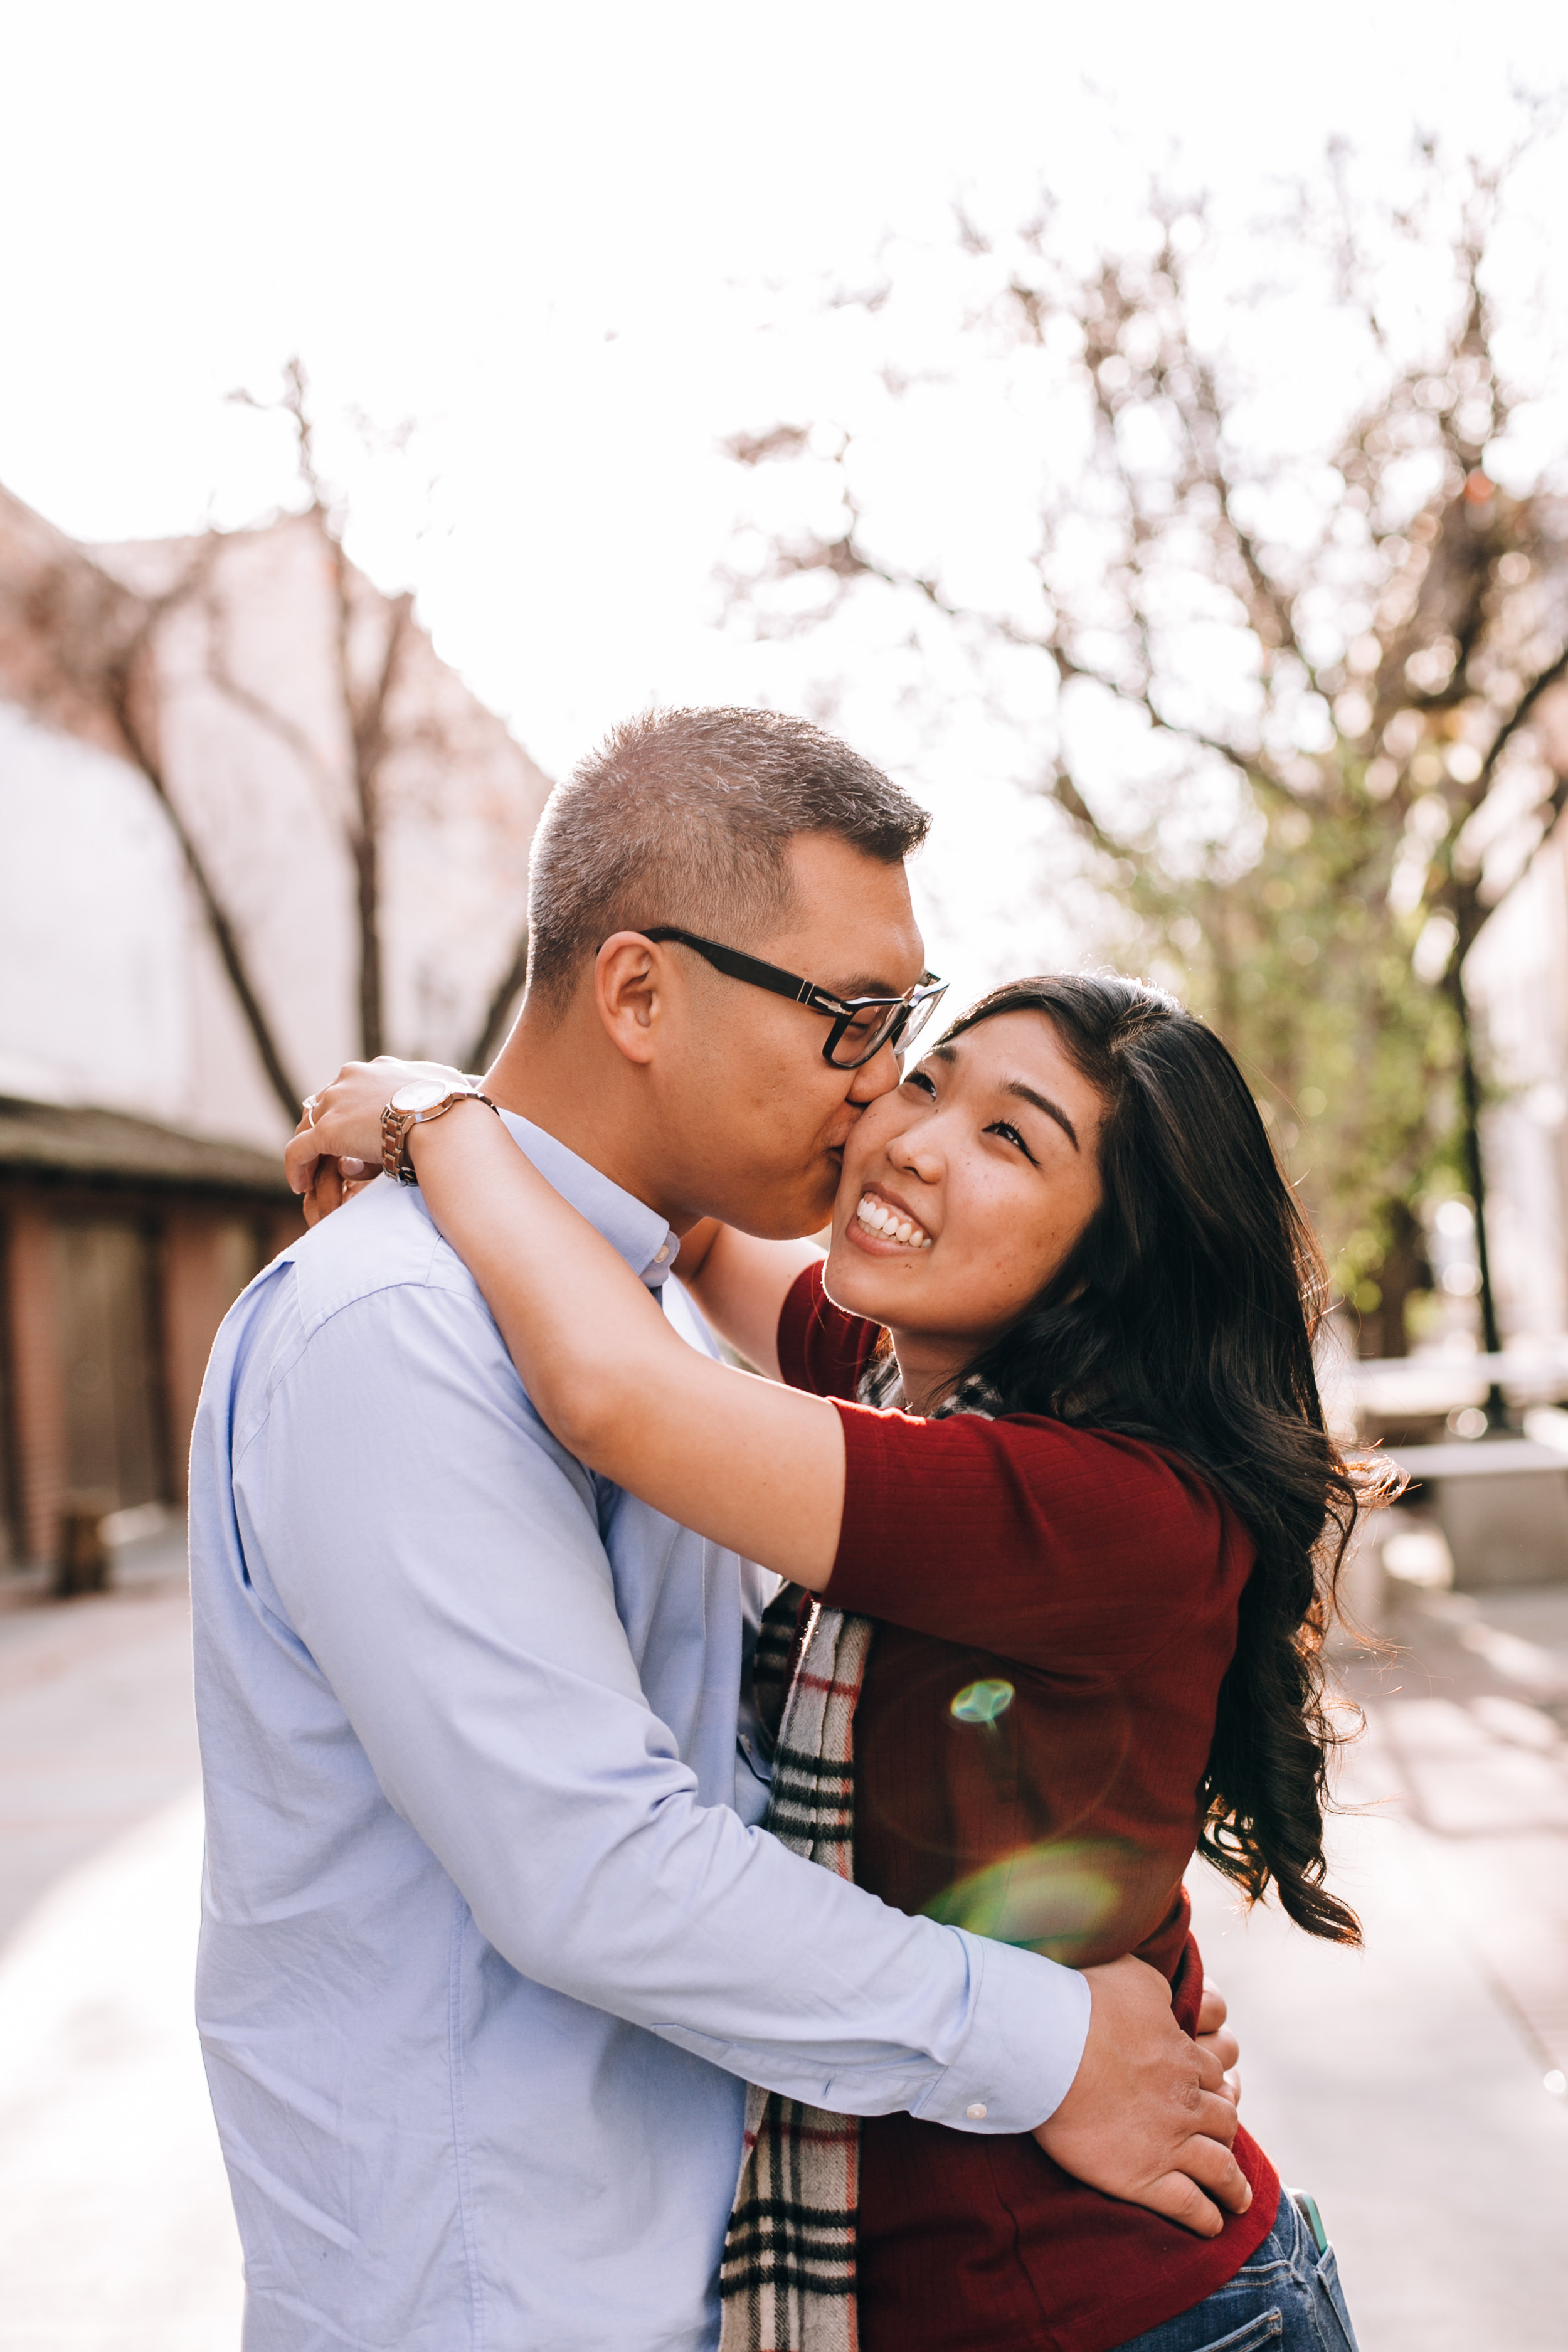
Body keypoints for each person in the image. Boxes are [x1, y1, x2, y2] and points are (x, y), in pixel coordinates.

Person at [192, 708, 1246, 2352]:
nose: (889, 1092)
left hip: (851, 2275)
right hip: (497, 2299)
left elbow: (631, 1347)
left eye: (908, 1024)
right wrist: (1052, 2037)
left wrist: (446, 1110)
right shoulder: (401, 1326)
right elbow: (598, 1866)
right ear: (635, 991)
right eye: (861, 1024)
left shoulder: (706, 1355)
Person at [293, 966, 1374, 2352]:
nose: (912, 1137)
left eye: (1009, 1137)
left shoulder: (1099, 1508)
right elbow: (674, 1231)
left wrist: (439, 1118)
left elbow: (619, 1388)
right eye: (929, 1077)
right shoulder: (887, 1368)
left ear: (1110, 1255)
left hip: (1118, 2309)